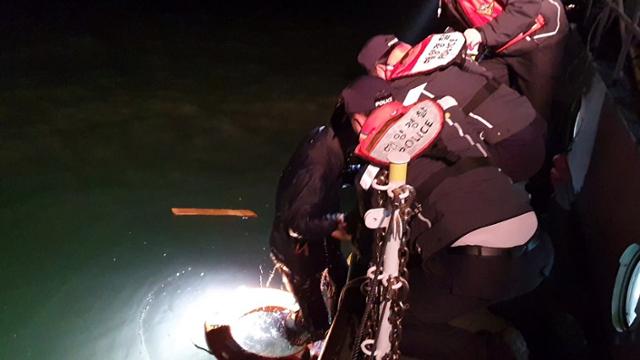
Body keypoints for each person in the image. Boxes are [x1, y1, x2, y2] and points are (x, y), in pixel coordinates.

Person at [341, 75, 555, 359]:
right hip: (540, 253)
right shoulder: (451, 119)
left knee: (389, 317)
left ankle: (493, 352)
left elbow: (377, 250)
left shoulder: (374, 176)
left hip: (481, 270)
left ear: (358, 122)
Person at [357, 34, 546, 183]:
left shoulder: (405, 93)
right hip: (534, 121)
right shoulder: (444, 53)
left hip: (515, 148)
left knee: (437, 166)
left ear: (380, 71)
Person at [269, 113, 354, 344]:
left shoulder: (326, 137)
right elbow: (296, 224)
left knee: (334, 272)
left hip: (319, 231)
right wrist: (335, 223)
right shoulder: (317, 165)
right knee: (309, 291)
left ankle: (332, 320)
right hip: (297, 244)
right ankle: (318, 331)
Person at [438, 0, 570, 126]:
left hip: (540, 35)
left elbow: (526, 7)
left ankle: (547, 144)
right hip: (499, 44)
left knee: (536, 112)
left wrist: (483, 34)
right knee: (477, 86)